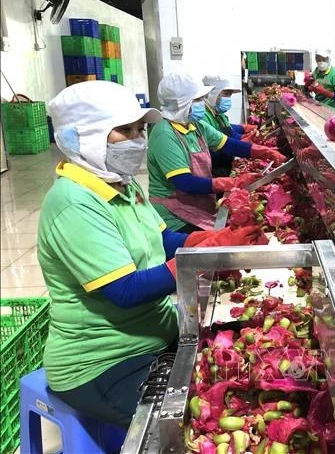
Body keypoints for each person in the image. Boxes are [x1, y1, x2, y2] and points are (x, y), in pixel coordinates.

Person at [40, 80, 267, 429]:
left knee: (243, 372)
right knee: (198, 422)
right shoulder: (74, 203)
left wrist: (213, 239)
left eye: (139, 129)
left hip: (155, 331)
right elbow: (126, 291)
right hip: (103, 361)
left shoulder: (122, 183)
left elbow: (163, 240)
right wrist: (202, 258)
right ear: (80, 138)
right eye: (123, 131)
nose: (138, 140)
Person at [148, 72, 285, 233]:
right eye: (197, 100)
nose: (202, 104)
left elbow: (228, 144)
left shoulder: (195, 125)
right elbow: (184, 182)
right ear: (182, 103)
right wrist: (232, 183)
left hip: (195, 204)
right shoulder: (165, 134)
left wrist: (265, 152)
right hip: (173, 216)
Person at [200, 75, 256, 141]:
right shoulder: (203, 117)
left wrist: (246, 133)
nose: (228, 98)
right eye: (226, 94)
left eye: (230, 95)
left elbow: (230, 133)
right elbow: (218, 143)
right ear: (212, 94)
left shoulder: (219, 114)